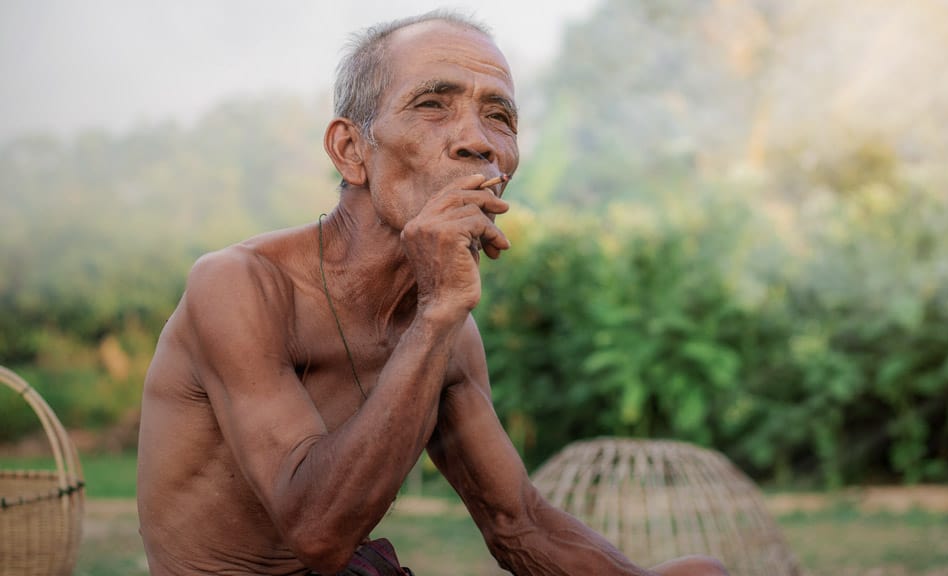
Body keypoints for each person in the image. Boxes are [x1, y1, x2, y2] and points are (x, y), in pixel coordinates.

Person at [137, 10, 729, 576]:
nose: (478, 141)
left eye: (499, 116)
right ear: (351, 150)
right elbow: (318, 535)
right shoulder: (242, 284)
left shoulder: (447, 329)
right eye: (432, 106)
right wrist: (439, 312)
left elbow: (518, 525)